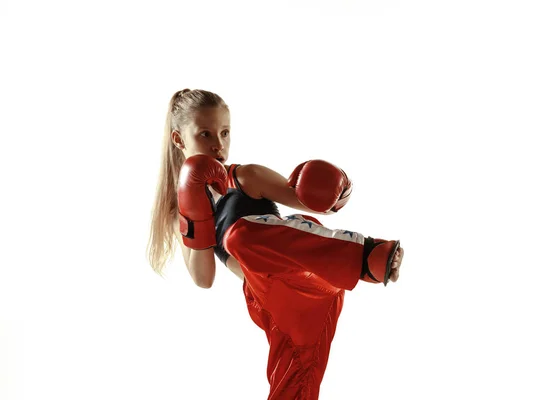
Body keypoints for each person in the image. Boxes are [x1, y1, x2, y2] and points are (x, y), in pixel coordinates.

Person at [147, 89, 404, 399]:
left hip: (309, 265)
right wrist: (194, 209)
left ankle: (366, 257)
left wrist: (341, 186)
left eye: (225, 133)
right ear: (179, 139)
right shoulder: (182, 212)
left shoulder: (245, 177)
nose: (219, 144)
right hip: (273, 304)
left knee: (239, 237)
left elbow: (312, 201)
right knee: (293, 386)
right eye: (205, 133)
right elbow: (204, 279)